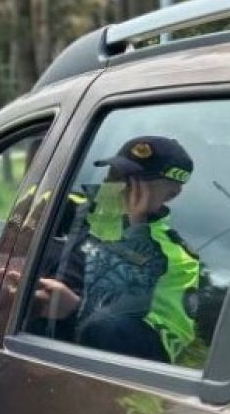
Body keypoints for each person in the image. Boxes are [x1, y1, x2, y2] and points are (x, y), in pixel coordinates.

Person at [33, 136, 200, 364]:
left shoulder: (177, 260)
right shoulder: (63, 208)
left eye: (133, 181)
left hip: (78, 374)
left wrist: (76, 310)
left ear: (171, 194)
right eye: (114, 173)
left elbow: (158, 352)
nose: (115, 186)